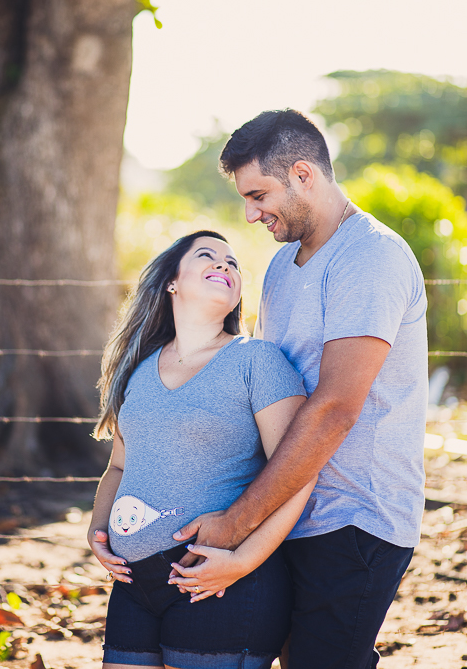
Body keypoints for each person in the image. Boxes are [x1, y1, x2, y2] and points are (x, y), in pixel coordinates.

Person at [170, 110, 428, 669]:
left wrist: (235, 524)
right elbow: (262, 385)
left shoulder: (371, 256)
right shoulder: (283, 266)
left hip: (355, 516)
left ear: (304, 174)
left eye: (259, 194)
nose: (250, 213)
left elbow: (334, 408)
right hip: (286, 511)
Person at [87, 229, 314, 669]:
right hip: (134, 586)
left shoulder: (258, 361)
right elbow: (118, 467)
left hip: (219, 582)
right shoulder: (139, 370)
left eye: (233, 263)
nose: (224, 265)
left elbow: (299, 472)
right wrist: (99, 533)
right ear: (171, 281)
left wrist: (242, 561)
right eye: (208, 256)